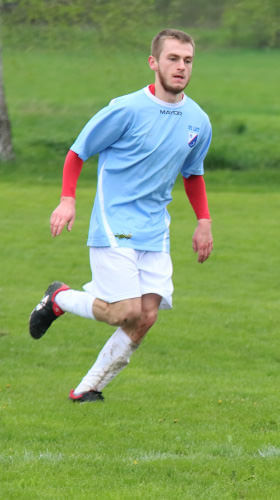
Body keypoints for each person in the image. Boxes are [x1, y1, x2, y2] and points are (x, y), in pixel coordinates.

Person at [28, 29, 213, 402]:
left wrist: (203, 220)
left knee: (146, 316)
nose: (181, 67)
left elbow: (193, 173)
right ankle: (60, 298)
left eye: (187, 60)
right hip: (115, 222)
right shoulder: (126, 109)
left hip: (155, 228)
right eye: (173, 59)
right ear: (153, 63)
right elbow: (78, 152)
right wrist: (67, 200)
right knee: (122, 312)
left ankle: (88, 388)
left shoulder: (198, 121)